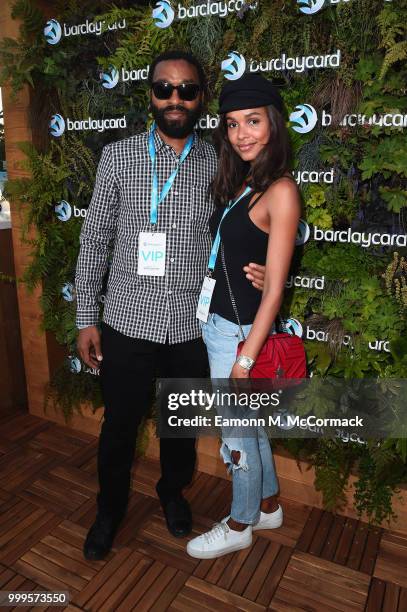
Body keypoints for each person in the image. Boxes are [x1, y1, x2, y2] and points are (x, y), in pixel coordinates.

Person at [75, 50, 266, 561]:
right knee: (118, 428)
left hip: (190, 329)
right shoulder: (117, 158)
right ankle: (109, 510)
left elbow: (248, 228)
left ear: (201, 98)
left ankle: (172, 493)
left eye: (187, 89)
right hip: (126, 323)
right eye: (165, 88)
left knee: (178, 429)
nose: (175, 98)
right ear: (151, 94)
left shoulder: (222, 164)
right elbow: (94, 241)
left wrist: (269, 269)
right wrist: (84, 318)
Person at [187, 73, 301, 559]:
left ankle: (240, 521)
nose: (242, 134)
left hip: (239, 338)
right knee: (249, 429)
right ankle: (269, 503)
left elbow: (273, 290)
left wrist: (245, 361)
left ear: (273, 123)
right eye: (232, 125)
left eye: (252, 121)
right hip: (221, 328)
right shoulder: (246, 182)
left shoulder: (280, 190)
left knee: (235, 435)